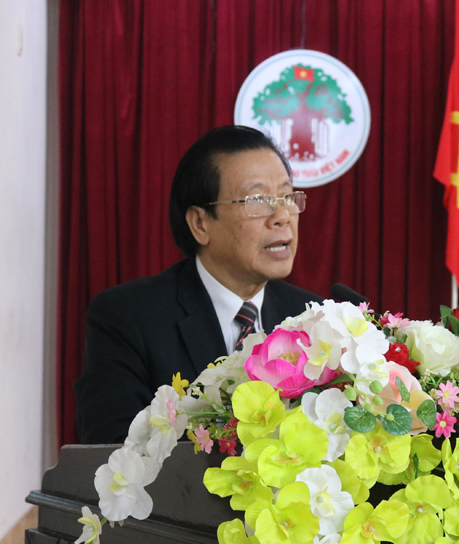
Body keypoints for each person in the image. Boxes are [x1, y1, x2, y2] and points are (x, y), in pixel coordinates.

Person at [75, 126, 321, 444]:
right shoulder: (128, 318)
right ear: (200, 223)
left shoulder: (312, 319)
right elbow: (114, 448)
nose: (282, 216)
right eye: (257, 200)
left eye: (287, 197)